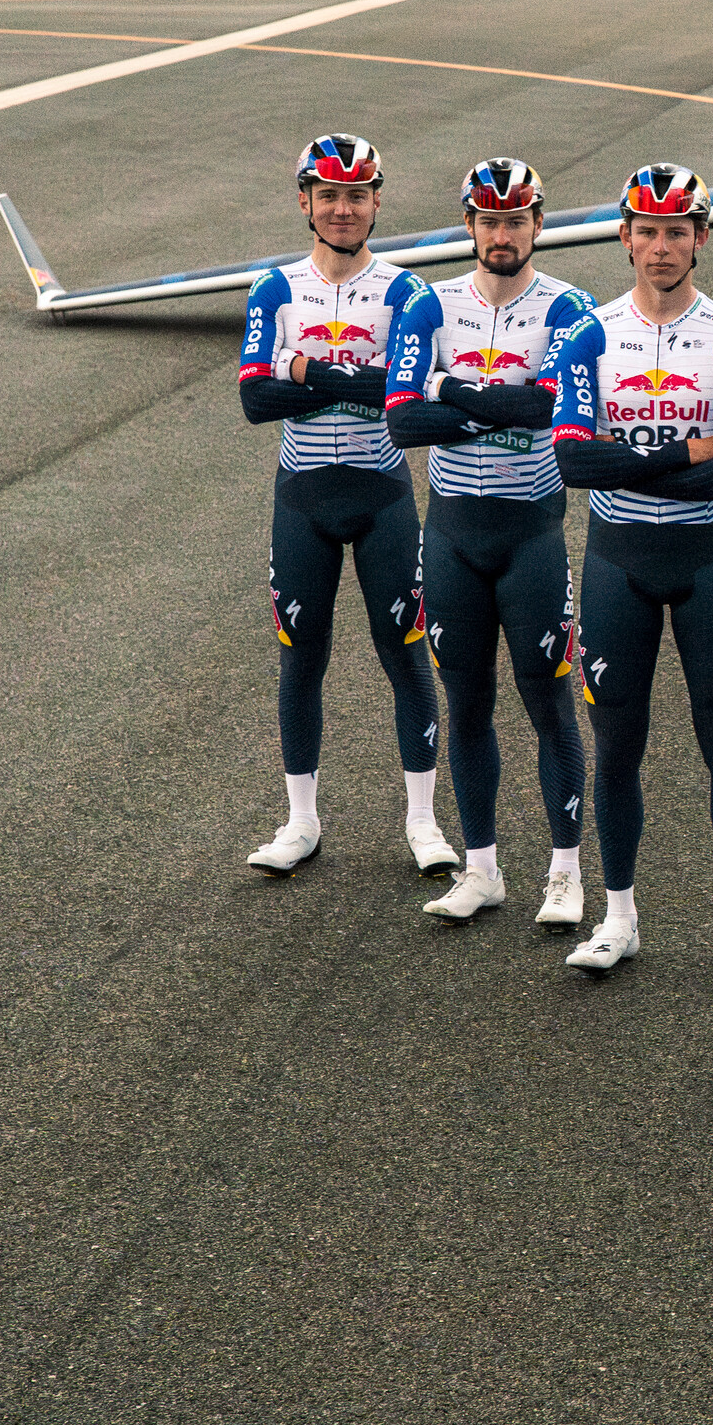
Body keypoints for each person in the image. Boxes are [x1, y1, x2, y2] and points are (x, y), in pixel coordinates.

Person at [549, 163, 713, 976]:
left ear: (701, 238)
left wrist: (629, 457)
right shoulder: (589, 335)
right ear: (625, 238)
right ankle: (617, 916)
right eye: (648, 231)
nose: (662, 246)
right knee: (617, 747)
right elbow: (572, 465)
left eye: (679, 231)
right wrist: (687, 451)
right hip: (619, 562)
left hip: (707, 560)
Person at [380, 158, 596, 932]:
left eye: (516, 219)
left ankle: (566, 875)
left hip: (530, 530)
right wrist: (497, 405)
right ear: (468, 225)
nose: (502, 233)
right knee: (466, 704)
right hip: (452, 533)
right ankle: (482, 870)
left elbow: (556, 410)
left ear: (538, 224)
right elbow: (401, 422)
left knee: (548, 703)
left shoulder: (572, 309)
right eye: (488, 219)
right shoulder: (427, 304)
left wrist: (451, 391)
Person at [235, 133, 449, 880]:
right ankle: (300, 820)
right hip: (303, 499)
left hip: (382, 493)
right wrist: (352, 377)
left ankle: (423, 821)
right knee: (302, 657)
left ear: (377, 201)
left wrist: (303, 366)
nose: (343, 208)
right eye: (328, 195)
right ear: (305, 202)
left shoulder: (405, 292)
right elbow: (257, 399)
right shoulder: (274, 287)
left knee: (405, 653)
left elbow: (405, 394)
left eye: (357, 195)